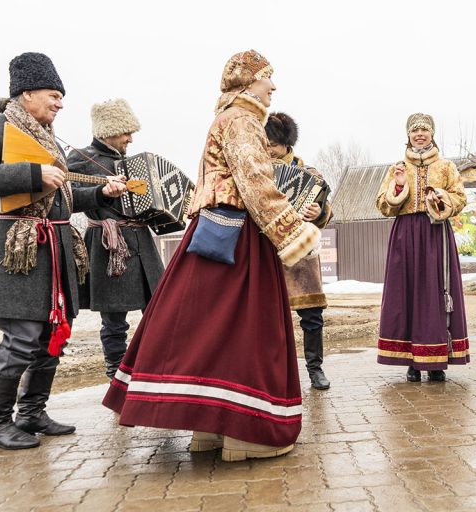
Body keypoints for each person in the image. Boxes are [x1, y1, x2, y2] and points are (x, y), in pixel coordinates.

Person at [103, 50, 320, 461]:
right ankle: (248, 435)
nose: (272, 87)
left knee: (212, 329)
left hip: (214, 234)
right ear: (246, 82)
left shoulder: (224, 118)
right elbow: (254, 180)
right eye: (267, 78)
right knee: (249, 331)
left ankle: (211, 430)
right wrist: (293, 232)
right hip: (242, 238)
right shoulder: (242, 120)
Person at [0, 52, 126, 450]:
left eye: (61, 96)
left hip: (56, 251)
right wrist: (34, 173)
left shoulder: (48, 139)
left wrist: (100, 192)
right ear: (26, 93)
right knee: (22, 338)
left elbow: (60, 201)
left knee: (53, 336)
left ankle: (31, 413)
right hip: (19, 253)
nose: (60, 103)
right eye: (53, 94)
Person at [67, 99, 164, 379]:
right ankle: (117, 375)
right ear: (109, 129)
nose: (130, 138)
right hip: (108, 245)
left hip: (142, 244)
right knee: (113, 321)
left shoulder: (134, 163)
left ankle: (156, 370)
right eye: (126, 132)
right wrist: (101, 193)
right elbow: (67, 197)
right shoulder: (81, 159)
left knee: (158, 312)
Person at [375, 113, 469, 382]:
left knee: (436, 295)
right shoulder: (396, 167)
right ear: (408, 135)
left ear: (432, 134)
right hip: (405, 235)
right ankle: (412, 360)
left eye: (424, 130)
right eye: (415, 131)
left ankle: (437, 360)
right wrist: (399, 186)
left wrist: (441, 198)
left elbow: (460, 199)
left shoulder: (446, 167)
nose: (419, 134)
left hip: (435, 234)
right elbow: (382, 204)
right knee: (407, 295)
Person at [265, 112, 332, 390]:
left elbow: (326, 212)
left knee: (312, 316)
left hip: (302, 256)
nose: (268, 150)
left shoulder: (310, 175)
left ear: (286, 144)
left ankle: (315, 369)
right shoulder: (256, 173)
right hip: (267, 253)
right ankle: (274, 373)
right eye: (264, 144)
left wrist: (318, 212)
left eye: (273, 145)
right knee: (268, 317)